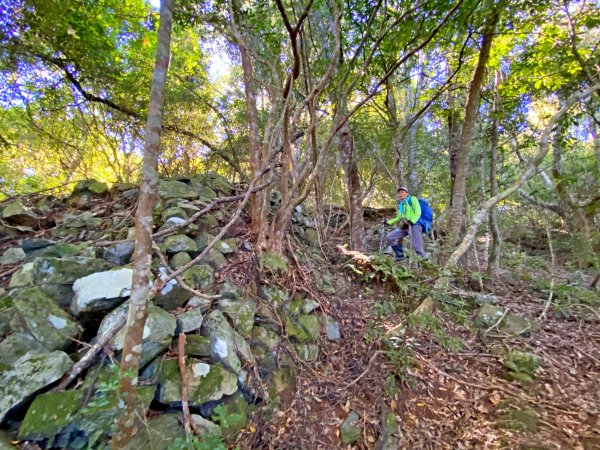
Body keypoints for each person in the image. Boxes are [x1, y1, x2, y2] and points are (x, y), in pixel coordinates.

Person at [383, 186, 426, 261]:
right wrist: (388, 222)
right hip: (405, 225)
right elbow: (399, 217)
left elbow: (418, 211)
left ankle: (425, 264)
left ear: (407, 193)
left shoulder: (413, 199)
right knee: (390, 236)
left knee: (417, 246)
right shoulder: (401, 204)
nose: (401, 194)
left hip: (415, 225)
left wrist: (412, 221)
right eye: (399, 193)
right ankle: (400, 255)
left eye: (403, 192)